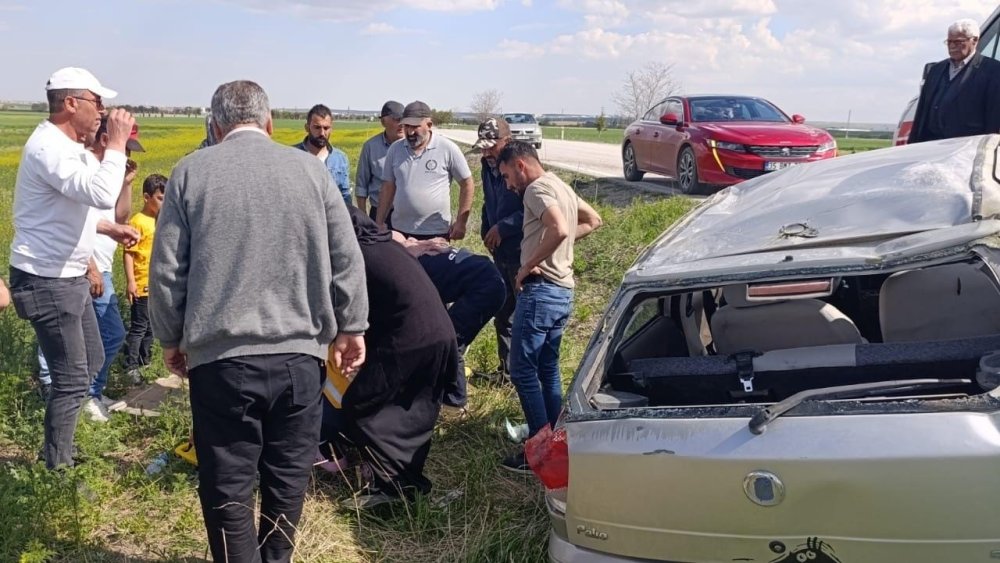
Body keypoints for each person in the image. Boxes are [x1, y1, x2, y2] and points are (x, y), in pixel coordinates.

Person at [149, 80, 368, 563]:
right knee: (288, 475)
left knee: (227, 481)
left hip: (222, 361)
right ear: (270, 125)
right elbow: (346, 255)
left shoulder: (190, 172)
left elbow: (166, 270)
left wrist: (170, 337)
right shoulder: (312, 172)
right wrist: (352, 325)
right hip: (300, 359)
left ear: (215, 126)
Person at [8, 67, 136, 469]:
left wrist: (107, 227)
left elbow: (60, 212)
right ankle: (57, 465)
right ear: (70, 103)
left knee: (92, 359)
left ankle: (59, 445)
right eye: (97, 102)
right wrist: (116, 144)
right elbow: (98, 190)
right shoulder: (50, 147)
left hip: (70, 275)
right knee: (71, 379)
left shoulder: (68, 147)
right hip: (48, 280)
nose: (103, 111)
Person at [321, 208, 459, 509]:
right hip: (437, 332)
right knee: (412, 408)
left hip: (411, 338)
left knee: (365, 403)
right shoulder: (381, 243)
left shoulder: (352, 254)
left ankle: (392, 490)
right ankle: (400, 481)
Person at [496, 142, 603, 473]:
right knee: (547, 368)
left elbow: (558, 227)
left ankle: (540, 451)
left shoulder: (537, 189)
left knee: (522, 369)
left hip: (541, 292)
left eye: (507, 175)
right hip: (563, 292)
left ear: (521, 165)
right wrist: (557, 249)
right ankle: (557, 442)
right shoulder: (561, 186)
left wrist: (529, 263)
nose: (508, 184)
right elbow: (592, 220)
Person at [38, 116, 143, 418]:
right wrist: (90, 266)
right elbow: (72, 224)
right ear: (105, 139)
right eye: (126, 145)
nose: (129, 153)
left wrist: (125, 184)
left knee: (99, 337)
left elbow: (119, 217)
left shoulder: (108, 172)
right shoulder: (82, 169)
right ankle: (82, 396)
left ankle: (90, 393)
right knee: (103, 335)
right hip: (84, 266)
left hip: (102, 266)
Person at [393, 233, 506, 409]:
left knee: (451, 342)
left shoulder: (411, 265)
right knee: (442, 336)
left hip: (486, 288)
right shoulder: (425, 249)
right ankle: (440, 389)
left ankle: (456, 404)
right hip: (490, 277)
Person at [375, 100, 475, 240]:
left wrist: (461, 222)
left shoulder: (447, 148)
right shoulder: (395, 150)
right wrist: (379, 222)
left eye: (415, 127)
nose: (410, 132)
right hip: (400, 231)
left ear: (429, 125)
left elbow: (467, 183)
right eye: (406, 126)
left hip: (435, 232)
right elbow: (388, 187)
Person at [472, 117, 524, 382]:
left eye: (491, 146)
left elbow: (535, 209)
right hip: (500, 252)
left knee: (524, 316)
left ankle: (526, 377)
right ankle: (508, 373)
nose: (486, 152)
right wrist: (486, 228)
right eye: (483, 147)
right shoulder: (487, 165)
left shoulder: (521, 165)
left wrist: (504, 227)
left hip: (522, 252)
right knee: (503, 313)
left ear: (508, 141)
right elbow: (488, 202)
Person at [909, 18, 1000, 143]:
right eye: (949, 42)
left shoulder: (993, 71)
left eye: (958, 42)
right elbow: (921, 115)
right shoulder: (936, 70)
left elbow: (994, 118)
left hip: (966, 149)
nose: (952, 46)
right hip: (930, 146)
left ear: (974, 40)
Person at [123, 174, 166, 383]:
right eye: (159, 198)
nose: (163, 203)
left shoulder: (160, 220)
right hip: (141, 284)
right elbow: (129, 253)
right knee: (139, 326)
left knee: (151, 327)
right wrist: (131, 281)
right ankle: (131, 366)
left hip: (155, 284)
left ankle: (145, 362)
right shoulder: (138, 222)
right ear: (146, 197)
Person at [355, 100, 404, 223]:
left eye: (404, 120)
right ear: (383, 122)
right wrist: (364, 219)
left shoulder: (412, 147)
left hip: (407, 216)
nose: (402, 124)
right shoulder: (371, 147)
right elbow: (361, 186)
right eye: (396, 119)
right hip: (379, 213)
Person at [295, 104, 352, 206]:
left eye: (326, 128)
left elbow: (344, 195)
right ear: (307, 127)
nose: (322, 133)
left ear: (331, 129)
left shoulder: (340, 159)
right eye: (317, 127)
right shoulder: (293, 155)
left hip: (331, 219)